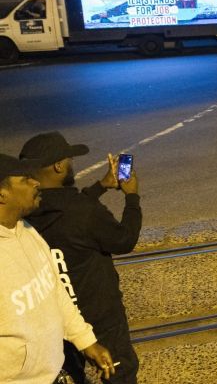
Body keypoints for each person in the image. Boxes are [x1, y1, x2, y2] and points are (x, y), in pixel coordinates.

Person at [19, 132, 141, 384]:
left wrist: (100, 187)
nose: (71, 164)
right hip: (100, 315)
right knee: (119, 374)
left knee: (71, 374)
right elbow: (124, 240)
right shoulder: (84, 212)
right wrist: (132, 197)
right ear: (58, 166)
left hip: (59, 318)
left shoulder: (25, 212)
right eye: (69, 159)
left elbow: (66, 209)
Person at [0, 153, 117, 384]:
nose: (35, 182)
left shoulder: (28, 231)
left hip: (52, 374)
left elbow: (55, 291)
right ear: (2, 194)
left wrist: (86, 341)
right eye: (24, 180)